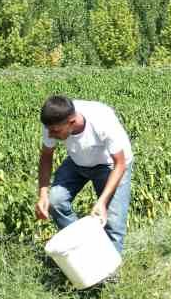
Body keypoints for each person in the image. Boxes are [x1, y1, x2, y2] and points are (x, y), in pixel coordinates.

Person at [36, 95, 135, 254]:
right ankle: (84, 249)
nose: (50, 135)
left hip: (110, 164)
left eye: (55, 131)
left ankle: (110, 266)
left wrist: (102, 202)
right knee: (55, 201)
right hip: (78, 159)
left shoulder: (102, 120)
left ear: (72, 122)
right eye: (49, 130)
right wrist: (42, 194)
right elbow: (47, 155)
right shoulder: (52, 122)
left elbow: (120, 164)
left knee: (113, 222)